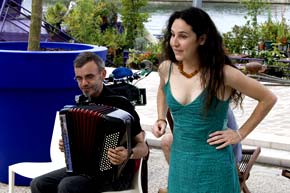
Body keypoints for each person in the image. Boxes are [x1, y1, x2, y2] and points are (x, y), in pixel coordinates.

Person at [151, 7, 277, 193]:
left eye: (183, 36)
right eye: (172, 35)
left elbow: (268, 98)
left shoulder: (223, 74)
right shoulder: (166, 69)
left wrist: (239, 134)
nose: (174, 43)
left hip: (214, 167)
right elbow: (162, 89)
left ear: (201, 39)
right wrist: (161, 117)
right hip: (180, 165)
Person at [30, 52, 149, 193]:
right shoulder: (81, 102)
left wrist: (127, 153)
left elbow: (143, 147)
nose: (83, 84)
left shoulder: (121, 104)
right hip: (84, 170)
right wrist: (68, 145)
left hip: (114, 174)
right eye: (79, 79)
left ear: (103, 74)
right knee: (39, 184)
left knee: (67, 186)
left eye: (89, 77)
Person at [157, 108, 242, 193]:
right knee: (167, 141)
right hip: (204, 145)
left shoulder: (213, 106)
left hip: (227, 156)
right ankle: (181, 181)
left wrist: (240, 134)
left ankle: (185, 185)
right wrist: (161, 119)